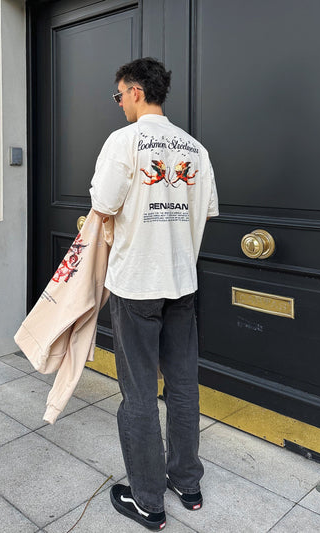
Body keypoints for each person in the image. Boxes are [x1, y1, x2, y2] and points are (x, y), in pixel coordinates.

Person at [89, 57, 219, 530]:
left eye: (119, 94)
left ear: (137, 92)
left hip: (136, 283)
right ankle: (188, 482)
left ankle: (147, 499)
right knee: (183, 385)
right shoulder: (195, 149)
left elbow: (102, 206)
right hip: (181, 282)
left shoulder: (124, 142)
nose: (119, 102)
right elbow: (204, 213)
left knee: (139, 391)